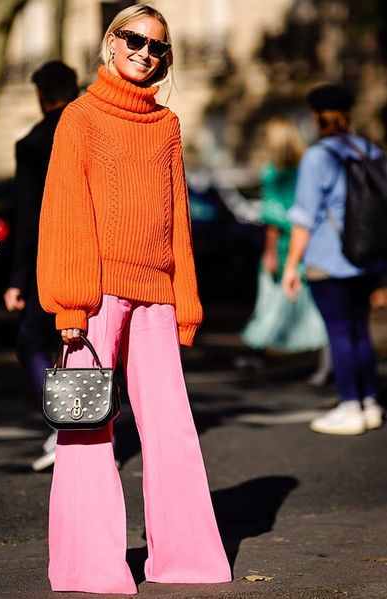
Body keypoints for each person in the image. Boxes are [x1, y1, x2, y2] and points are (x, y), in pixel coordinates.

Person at [36, 4, 232, 594]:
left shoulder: (167, 125)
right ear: (112, 42)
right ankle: (87, 566)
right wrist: (69, 306)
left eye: (159, 48)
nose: (147, 53)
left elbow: (178, 218)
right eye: (136, 40)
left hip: (157, 295)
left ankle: (187, 559)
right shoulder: (79, 118)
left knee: (171, 426)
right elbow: (66, 213)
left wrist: (186, 301)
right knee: (88, 429)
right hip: (94, 294)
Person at [282, 83, 385, 435]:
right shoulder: (370, 150)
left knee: (339, 333)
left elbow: (304, 217)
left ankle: (348, 405)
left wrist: (291, 265)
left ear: (316, 117)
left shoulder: (318, 156)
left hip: (329, 260)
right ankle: (370, 402)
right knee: (360, 331)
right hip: (368, 258)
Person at [3, 61, 79, 471]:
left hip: (49, 258)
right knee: (86, 343)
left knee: (32, 341)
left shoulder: (32, 143)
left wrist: (17, 279)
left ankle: (69, 427)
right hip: (97, 255)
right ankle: (88, 425)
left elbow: (28, 215)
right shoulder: (94, 128)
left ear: (40, 95)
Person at [241, 117, 328, 360]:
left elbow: (272, 222)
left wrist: (269, 253)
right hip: (308, 243)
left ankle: (256, 348)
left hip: (282, 245)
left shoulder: (272, 173)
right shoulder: (305, 170)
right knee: (310, 302)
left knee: (270, 302)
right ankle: (324, 358)